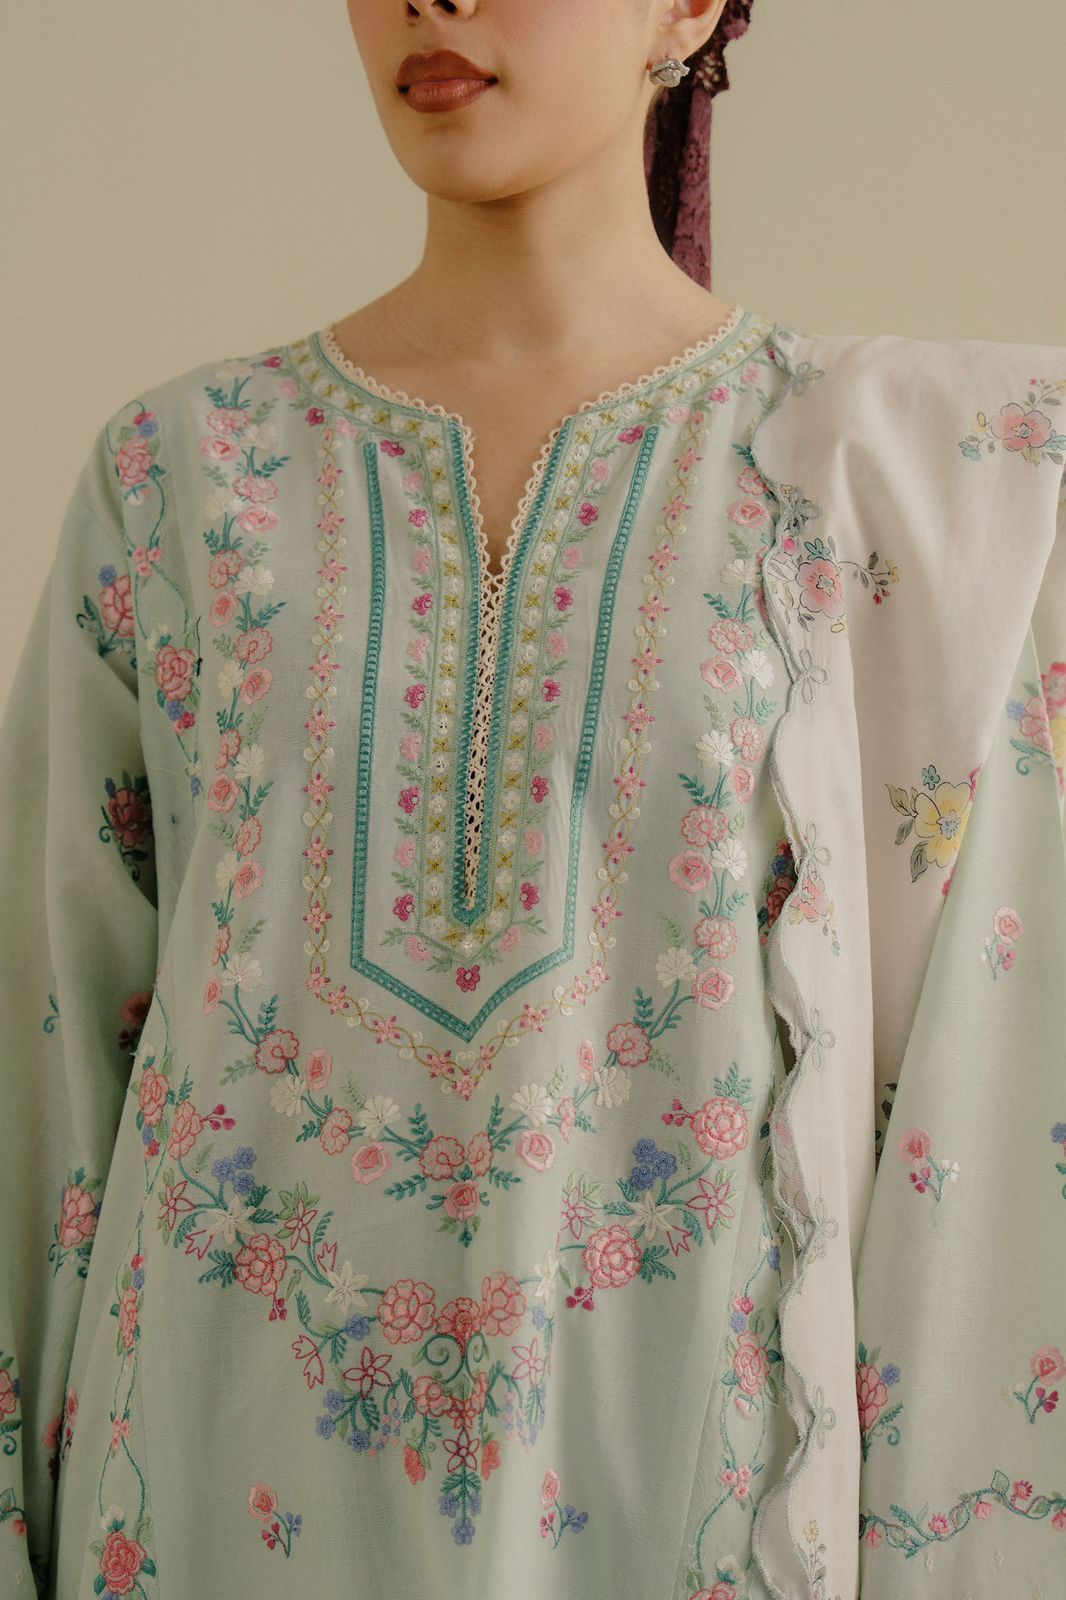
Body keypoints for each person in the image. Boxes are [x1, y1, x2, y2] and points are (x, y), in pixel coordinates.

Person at [1, 3, 1063, 1598]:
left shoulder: (899, 479)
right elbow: (43, 1073)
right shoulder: (180, 480)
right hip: (210, 1501)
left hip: (684, 1497)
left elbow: (992, 1099)